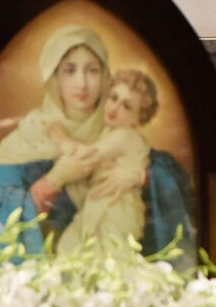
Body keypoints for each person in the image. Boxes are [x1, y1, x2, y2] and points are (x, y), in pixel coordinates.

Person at [0, 24, 195, 261]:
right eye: (70, 70)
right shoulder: (28, 139)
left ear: (105, 77)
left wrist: (141, 177)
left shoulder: (118, 130)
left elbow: (181, 189)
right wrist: (53, 180)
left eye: (92, 70)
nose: (82, 83)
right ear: (54, 77)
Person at [46, 68, 159, 253]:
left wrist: (63, 140)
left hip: (117, 211)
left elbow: (88, 156)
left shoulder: (126, 136)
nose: (115, 108)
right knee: (72, 249)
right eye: (114, 98)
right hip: (100, 206)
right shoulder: (111, 133)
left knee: (105, 258)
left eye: (127, 106)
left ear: (138, 119)